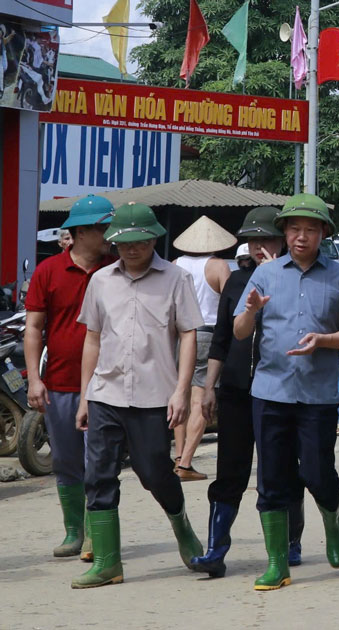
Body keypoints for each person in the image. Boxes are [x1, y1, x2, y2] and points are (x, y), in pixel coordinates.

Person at [233, 193, 339, 591]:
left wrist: (324, 341)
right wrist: (252, 310)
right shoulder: (266, 275)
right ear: (284, 233)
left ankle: (332, 518)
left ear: (323, 233)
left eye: (310, 229)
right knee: (271, 478)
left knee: (316, 471)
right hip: (270, 390)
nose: (301, 236)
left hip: (317, 395)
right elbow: (241, 332)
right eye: (294, 229)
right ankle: (277, 563)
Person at [72, 202, 206, 589]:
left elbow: (188, 335)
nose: (132, 250)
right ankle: (108, 563)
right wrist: (85, 397)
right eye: (124, 243)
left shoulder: (176, 279)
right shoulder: (101, 281)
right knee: (98, 475)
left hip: (153, 396)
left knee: (154, 472)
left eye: (140, 243)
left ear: (154, 239)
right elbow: (93, 339)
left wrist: (182, 391)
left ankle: (181, 524)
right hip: (105, 393)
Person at [190, 206, 306, 577]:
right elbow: (222, 339)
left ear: (283, 240)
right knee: (231, 472)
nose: (260, 247)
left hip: (281, 392)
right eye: (254, 240)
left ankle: (289, 541)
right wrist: (209, 387)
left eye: (267, 239)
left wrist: (275, 278)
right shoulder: (237, 283)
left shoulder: (296, 279)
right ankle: (216, 549)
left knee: (282, 471)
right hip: (238, 391)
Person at [24, 195, 116, 562]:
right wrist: (34, 378)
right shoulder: (49, 272)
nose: (110, 234)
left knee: (101, 460)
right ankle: (74, 530)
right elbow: (33, 328)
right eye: (103, 228)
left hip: (108, 383)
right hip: (61, 381)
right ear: (80, 232)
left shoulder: (116, 268)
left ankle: (97, 533)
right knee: (65, 460)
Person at [172, 216, 235, 481]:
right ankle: (186, 462)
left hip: (179, 335)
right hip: (207, 334)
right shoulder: (218, 266)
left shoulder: (175, 265)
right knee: (199, 399)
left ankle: (178, 456)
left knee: (181, 396)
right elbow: (231, 303)